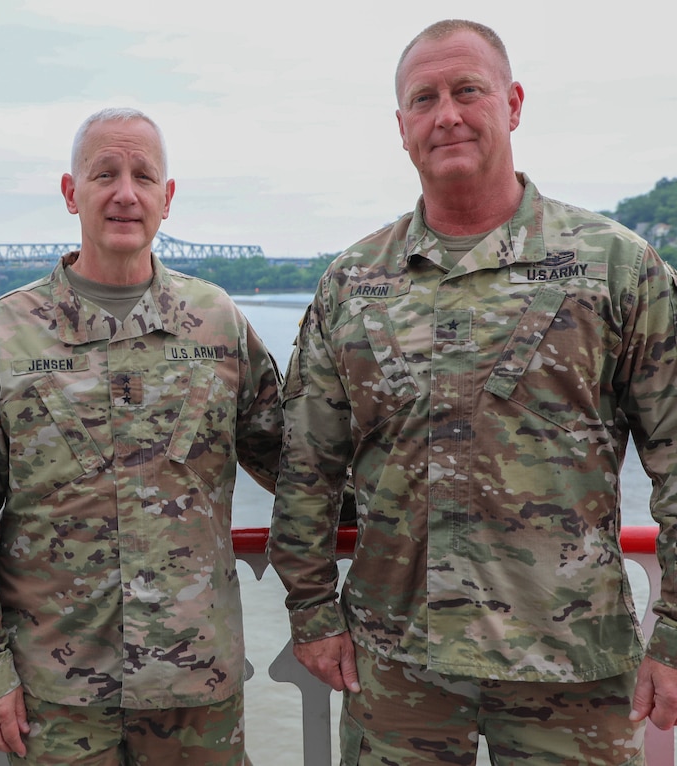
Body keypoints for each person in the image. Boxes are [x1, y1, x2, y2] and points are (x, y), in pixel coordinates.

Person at [269, 18, 677, 765]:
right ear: (401, 127)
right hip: (396, 669)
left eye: (467, 91)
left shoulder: (616, 267)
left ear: (513, 103)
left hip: (572, 666)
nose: (446, 114)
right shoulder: (352, 284)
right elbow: (307, 469)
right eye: (423, 99)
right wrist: (310, 610)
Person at [0, 107, 282, 764]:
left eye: (144, 176)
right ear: (71, 192)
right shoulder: (8, 332)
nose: (125, 192)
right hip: (55, 693)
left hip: (195, 686)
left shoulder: (217, 324)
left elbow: (295, 465)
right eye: (104, 174)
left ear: (166, 199)